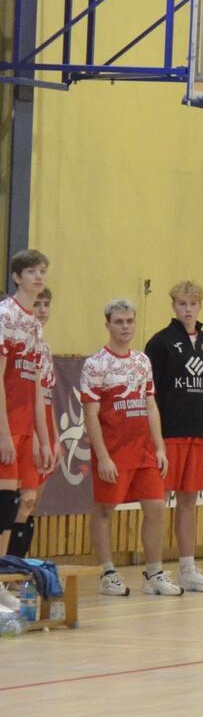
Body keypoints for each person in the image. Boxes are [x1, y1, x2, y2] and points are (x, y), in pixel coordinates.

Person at [83, 300, 182, 597]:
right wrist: (103, 457)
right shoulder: (96, 364)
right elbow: (91, 414)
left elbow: (150, 405)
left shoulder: (142, 361)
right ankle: (108, 573)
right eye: (119, 322)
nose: (125, 327)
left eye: (129, 321)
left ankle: (154, 574)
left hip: (144, 451)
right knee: (104, 509)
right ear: (108, 325)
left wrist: (160, 448)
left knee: (156, 508)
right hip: (113, 451)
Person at [144, 280, 203, 592]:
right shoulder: (160, 342)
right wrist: (155, 438)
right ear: (173, 306)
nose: (187, 309)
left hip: (197, 431)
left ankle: (188, 569)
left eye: (192, 304)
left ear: (200, 306)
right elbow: (150, 393)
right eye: (182, 304)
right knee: (158, 502)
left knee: (189, 500)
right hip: (169, 433)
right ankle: (153, 572)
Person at [0, 249, 50, 609]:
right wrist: (4, 433)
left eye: (42, 270)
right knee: (2, 506)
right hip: (5, 426)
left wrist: (40, 438)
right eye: (31, 271)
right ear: (17, 277)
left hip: (23, 428)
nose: (38, 276)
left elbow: (34, 386)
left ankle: (2, 579)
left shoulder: (34, 323)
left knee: (12, 509)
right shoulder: (6, 315)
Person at [7, 285, 57, 560]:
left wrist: (53, 437)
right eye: (37, 304)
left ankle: (19, 567)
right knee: (14, 502)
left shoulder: (44, 348)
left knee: (29, 502)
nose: (42, 310)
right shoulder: (12, 342)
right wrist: (36, 436)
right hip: (19, 428)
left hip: (39, 428)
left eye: (46, 304)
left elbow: (47, 396)